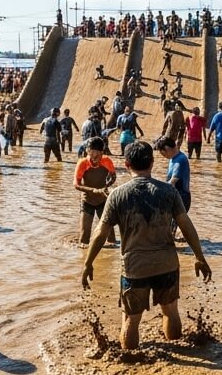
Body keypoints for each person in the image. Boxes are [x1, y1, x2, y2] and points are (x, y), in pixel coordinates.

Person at [80, 140, 211, 350]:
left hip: (134, 268)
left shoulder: (117, 195)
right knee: (171, 312)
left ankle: (130, 360)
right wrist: (199, 257)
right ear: (152, 162)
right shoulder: (169, 192)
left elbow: (100, 233)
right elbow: (186, 226)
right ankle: (179, 351)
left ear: (126, 164)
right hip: (166, 264)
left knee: (131, 319)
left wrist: (88, 263)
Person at [74, 137, 117, 245]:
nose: (93, 158)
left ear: (102, 152)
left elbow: (113, 176)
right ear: (87, 151)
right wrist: (94, 190)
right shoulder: (83, 163)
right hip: (87, 200)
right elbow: (76, 184)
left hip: (103, 200)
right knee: (84, 239)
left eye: (97, 155)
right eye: (90, 153)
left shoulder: (107, 161)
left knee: (111, 239)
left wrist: (107, 186)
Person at [156, 136, 191, 212]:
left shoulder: (180, 160)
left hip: (181, 198)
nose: (164, 156)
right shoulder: (173, 158)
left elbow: (172, 182)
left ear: (167, 148)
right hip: (176, 196)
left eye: (163, 154)